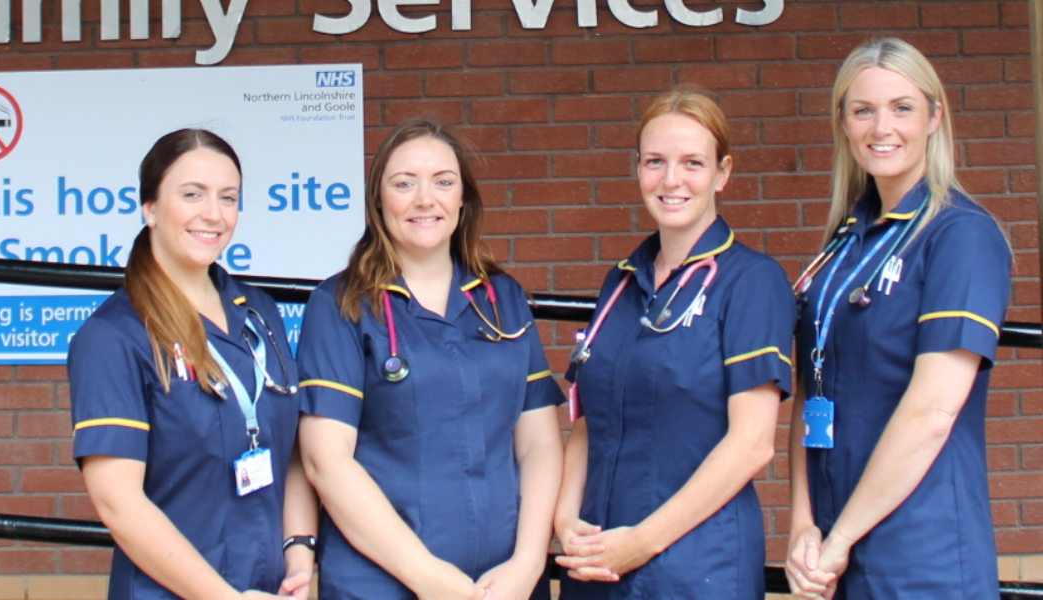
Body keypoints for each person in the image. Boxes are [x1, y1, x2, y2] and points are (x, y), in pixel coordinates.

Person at [296, 118, 564, 600]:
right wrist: (429, 579)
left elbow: (540, 444)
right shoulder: (342, 305)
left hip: (505, 582)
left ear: (463, 199)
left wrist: (528, 562)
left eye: (443, 181)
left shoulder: (503, 298)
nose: (425, 199)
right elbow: (325, 463)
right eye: (404, 184)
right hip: (384, 581)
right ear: (378, 199)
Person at [787, 38, 1012, 600]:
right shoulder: (846, 240)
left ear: (935, 116)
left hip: (922, 554)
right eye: (863, 110)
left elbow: (935, 410)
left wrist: (838, 540)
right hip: (835, 546)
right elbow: (809, 384)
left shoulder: (960, 235)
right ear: (843, 122)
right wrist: (802, 523)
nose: (880, 127)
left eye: (902, 108)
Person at [553, 88, 795, 599]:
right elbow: (587, 421)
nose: (671, 180)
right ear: (636, 168)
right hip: (597, 561)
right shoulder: (619, 283)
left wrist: (641, 542)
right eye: (655, 162)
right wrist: (565, 519)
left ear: (722, 173)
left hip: (695, 568)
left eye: (692, 163)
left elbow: (752, 444)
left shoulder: (751, 281)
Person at [67, 129, 317, 600]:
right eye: (192, 194)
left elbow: (293, 450)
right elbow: (117, 503)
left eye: (228, 197)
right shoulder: (112, 337)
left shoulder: (259, 312)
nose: (213, 214)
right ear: (151, 207)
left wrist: (299, 553)